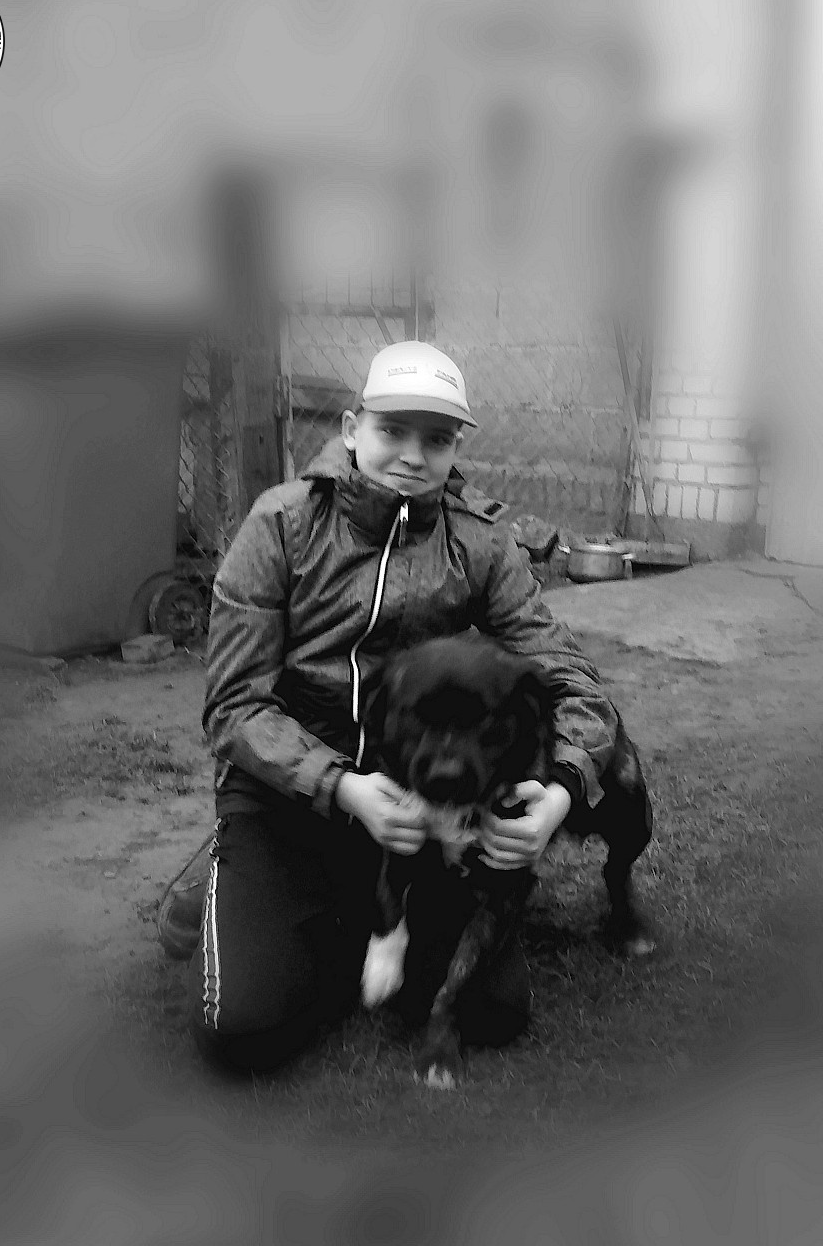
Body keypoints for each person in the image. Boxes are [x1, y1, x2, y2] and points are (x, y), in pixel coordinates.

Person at [160, 339, 621, 1073]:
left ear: (456, 447)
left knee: (494, 1013)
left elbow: (571, 679)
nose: (412, 455)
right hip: (294, 792)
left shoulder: (480, 542)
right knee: (242, 1030)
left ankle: (338, 913)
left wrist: (561, 792)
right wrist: (343, 787)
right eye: (392, 430)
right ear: (351, 429)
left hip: (424, 799)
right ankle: (231, 881)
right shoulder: (280, 524)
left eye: (436, 438)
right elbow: (234, 705)